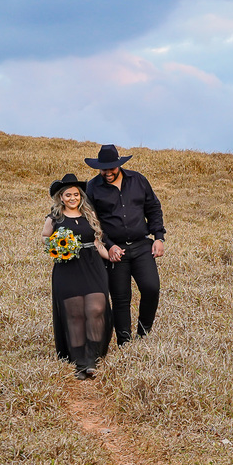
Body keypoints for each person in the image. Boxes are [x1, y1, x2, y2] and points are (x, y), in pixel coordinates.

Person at [84, 144, 166, 345]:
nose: (108, 173)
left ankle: (143, 334)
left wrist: (159, 237)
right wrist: (109, 245)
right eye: (103, 169)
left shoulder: (138, 180)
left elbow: (153, 208)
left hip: (141, 246)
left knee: (151, 288)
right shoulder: (93, 187)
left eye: (111, 169)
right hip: (114, 250)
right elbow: (92, 222)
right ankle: (124, 342)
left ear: (119, 165)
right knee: (121, 298)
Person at [42, 174, 113, 379]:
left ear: (80, 196)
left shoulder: (89, 215)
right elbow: (45, 238)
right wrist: (56, 246)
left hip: (92, 266)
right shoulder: (54, 218)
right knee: (74, 315)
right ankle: (80, 362)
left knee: (96, 308)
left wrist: (112, 256)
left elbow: (98, 242)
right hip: (67, 269)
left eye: (76, 194)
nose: (72, 198)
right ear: (61, 197)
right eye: (68, 195)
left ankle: (92, 358)